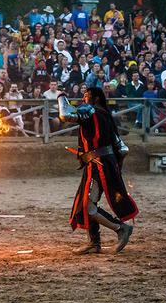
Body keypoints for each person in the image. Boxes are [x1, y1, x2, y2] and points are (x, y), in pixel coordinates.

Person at [58, 87, 137, 254]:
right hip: (103, 165)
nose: (83, 100)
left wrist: (61, 96)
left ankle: (120, 228)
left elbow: (65, 114)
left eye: (86, 96)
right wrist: (116, 171)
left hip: (98, 165)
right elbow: (123, 149)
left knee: (87, 204)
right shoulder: (106, 116)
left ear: (95, 99)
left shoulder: (91, 110)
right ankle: (93, 243)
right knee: (85, 202)